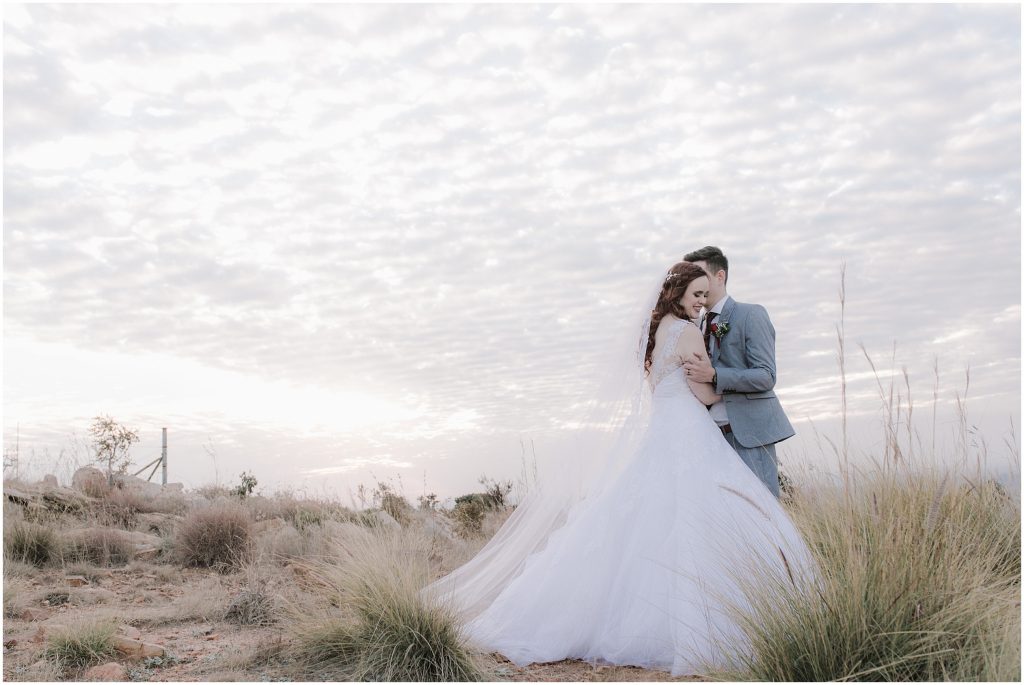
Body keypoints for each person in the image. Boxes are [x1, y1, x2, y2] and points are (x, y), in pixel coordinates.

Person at [423, 261, 816, 676]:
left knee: (642, 517)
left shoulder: (653, 336)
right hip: (689, 431)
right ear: (678, 293)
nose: (703, 302)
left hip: (662, 430)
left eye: (706, 294)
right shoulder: (687, 333)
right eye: (697, 294)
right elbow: (703, 394)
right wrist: (724, 383)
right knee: (695, 517)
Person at [682, 246, 795, 497]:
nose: (694, 283)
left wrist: (714, 376)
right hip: (709, 438)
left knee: (761, 509)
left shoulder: (750, 314)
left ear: (720, 276)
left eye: (700, 275)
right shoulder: (693, 326)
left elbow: (766, 375)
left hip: (747, 435)